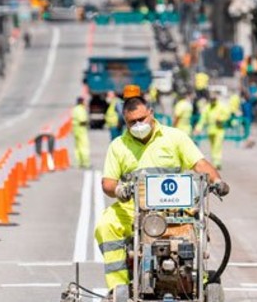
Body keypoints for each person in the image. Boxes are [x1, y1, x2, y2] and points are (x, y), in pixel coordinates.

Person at [95, 94, 229, 301]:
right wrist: (119, 190)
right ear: (125, 122)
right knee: (106, 224)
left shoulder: (175, 137)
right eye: (132, 122)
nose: (138, 124)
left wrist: (217, 181)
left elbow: (200, 164)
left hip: (175, 207)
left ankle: (196, 282)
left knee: (195, 231)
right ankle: (118, 286)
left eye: (142, 119)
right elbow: (108, 182)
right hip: (135, 207)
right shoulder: (118, 146)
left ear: (151, 113)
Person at [197, 94, 233, 169]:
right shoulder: (207, 107)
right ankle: (214, 161)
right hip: (210, 130)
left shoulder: (221, 106)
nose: (212, 101)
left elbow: (227, 114)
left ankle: (217, 162)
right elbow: (203, 118)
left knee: (217, 146)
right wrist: (198, 127)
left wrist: (221, 119)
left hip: (219, 129)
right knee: (213, 146)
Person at [72, 97, 91, 169]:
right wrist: (87, 122)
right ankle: (86, 163)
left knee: (78, 147)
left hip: (76, 130)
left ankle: (79, 162)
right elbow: (82, 120)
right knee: (84, 147)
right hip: (81, 130)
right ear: (82, 102)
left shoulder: (75, 109)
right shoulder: (80, 109)